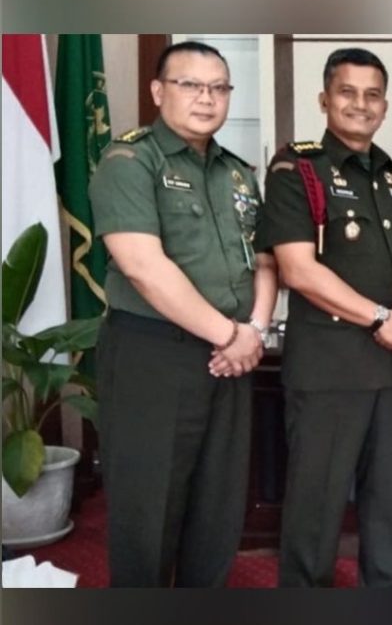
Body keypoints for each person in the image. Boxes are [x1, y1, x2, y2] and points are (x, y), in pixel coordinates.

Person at [90, 40, 277, 587]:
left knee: (218, 508)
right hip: (154, 355)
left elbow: (265, 260)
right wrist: (232, 336)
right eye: (190, 85)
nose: (206, 98)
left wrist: (255, 330)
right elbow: (143, 267)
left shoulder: (237, 172)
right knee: (148, 509)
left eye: (218, 88)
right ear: (157, 91)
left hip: (231, 358)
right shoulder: (129, 161)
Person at [256, 48, 392, 587]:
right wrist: (383, 319)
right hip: (331, 367)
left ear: (385, 105)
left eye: (372, 94)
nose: (361, 104)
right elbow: (298, 270)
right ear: (324, 99)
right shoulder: (298, 170)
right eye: (348, 92)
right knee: (316, 503)